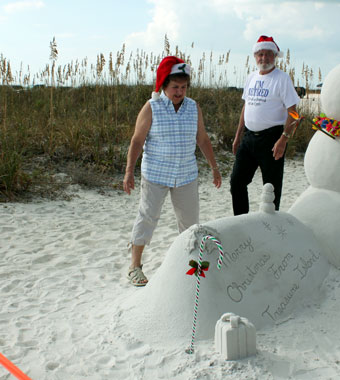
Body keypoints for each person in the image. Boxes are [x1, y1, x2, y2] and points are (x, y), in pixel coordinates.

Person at [123, 56, 222, 287]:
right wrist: (129, 171)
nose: (179, 92)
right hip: (156, 174)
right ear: (164, 85)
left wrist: (215, 168)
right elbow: (137, 141)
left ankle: (190, 266)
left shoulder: (193, 107)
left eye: (183, 87)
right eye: (175, 87)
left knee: (190, 223)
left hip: (186, 174)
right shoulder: (152, 107)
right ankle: (135, 266)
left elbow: (202, 139)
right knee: (147, 217)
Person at [230, 35, 300, 215]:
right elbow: (246, 107)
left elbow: (293, 111)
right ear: (255, 56)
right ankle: (241, 219)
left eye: (268, 54)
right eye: (260, 54)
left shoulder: (282, 79)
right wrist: (238, 137)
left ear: (275, 56)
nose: (264, 58)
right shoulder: (251, 77)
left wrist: (284, 138)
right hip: (248, 137)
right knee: (237, 182)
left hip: (272, 138)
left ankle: (271, 225)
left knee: (271, 187)